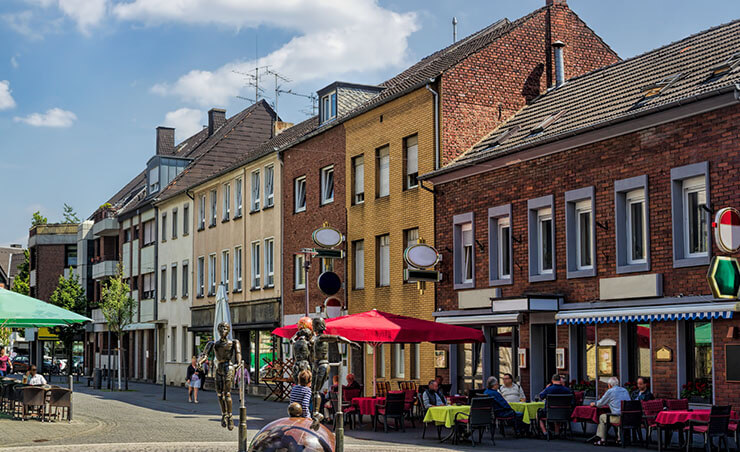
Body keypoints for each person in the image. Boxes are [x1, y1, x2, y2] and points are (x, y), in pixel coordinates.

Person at [590, 376, 631, 446]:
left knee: (602, 417)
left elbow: (600, 404)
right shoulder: (625, 390)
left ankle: (602, 439)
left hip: (619, 418)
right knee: (616, 413)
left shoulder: (610, 391)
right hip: (629, 417)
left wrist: (594, 403)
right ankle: (619, 438)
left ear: (609, 385)